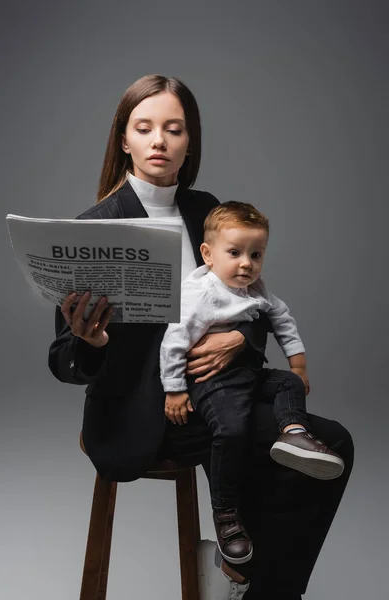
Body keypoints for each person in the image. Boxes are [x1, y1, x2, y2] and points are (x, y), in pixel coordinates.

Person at [48, 74, 354, 600]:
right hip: (145, 412)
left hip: (219, 393)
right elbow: (62, 362)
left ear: (190, 142)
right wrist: (92, 343)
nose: (159, 141)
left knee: (333, 441)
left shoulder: (207, 210)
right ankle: (241, 566)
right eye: (144, 128)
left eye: (174, 129)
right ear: (125, 139)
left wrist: (239, 340)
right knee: (242, 437)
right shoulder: (94, 226)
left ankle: (252, 580)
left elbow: (249, 301)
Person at [160, 201, 345, 566]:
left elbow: (281, 316)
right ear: (208, 255)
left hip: (247, 374)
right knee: (231, 430)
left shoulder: (254, 287)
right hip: (213, 383)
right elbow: (173, 341)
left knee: (288, 385)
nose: (247, 263)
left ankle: (294, 432)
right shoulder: (201, 294)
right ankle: (226, 513)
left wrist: (299, 363)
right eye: (235, 253)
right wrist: (175, 389)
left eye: (256, 254)